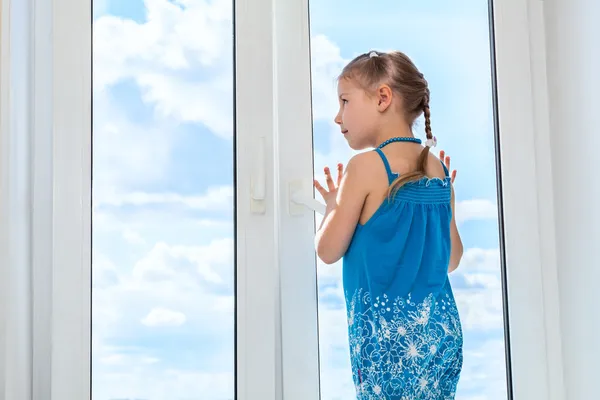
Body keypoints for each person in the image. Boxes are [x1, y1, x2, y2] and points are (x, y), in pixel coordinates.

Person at [314, 50, 463, 399]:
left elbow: (327, 250)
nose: (338, 117)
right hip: (442, 335)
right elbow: (452, 259)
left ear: (383, 98)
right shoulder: (438, 171)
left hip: (388, 342)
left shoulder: (364, 167)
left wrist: (333, 207)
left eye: (345, 101)